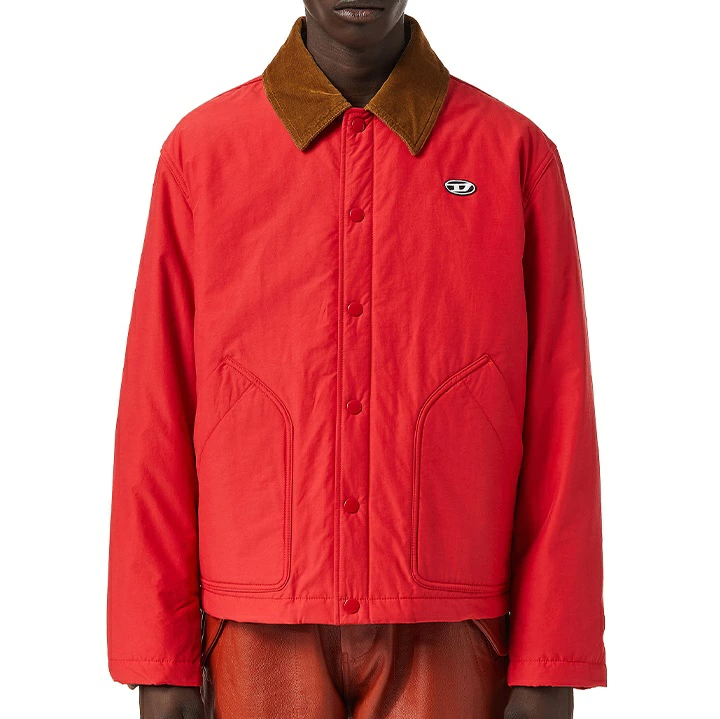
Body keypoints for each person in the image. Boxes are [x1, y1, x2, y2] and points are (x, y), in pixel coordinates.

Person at [107, 1, 607, 717]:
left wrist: (551, 660)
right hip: (252, 626)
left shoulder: (512, 153)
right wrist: (158, 658)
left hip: (455, 624)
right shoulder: (204, 152)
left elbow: (562, 413)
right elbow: (156, 408)